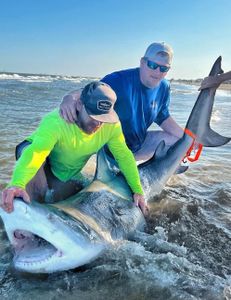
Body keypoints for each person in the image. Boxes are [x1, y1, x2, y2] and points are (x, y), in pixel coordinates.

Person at [1, 82, 148, 215]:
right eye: (93, 116)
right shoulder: (56, 122)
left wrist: (137, 190)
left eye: (103, 118)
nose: (98, 124)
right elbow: (37, 153)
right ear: (79, 105)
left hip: (65, 173)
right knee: (35, 199)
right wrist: (17, 183)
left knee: (63, 204)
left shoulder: (111, 126)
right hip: (39, 161)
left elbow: (124, 156)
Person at [60, 42, 185, 163]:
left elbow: (162, 117)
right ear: (142, 62)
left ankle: (160, 179)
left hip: (139, 145)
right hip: (112, 149)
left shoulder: (164, 87)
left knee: (179, 142)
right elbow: (89, 92)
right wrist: (69, 98)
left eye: (164, 68)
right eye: (152, 65)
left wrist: (188, 139)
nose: (158, 72)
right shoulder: (119, 81)